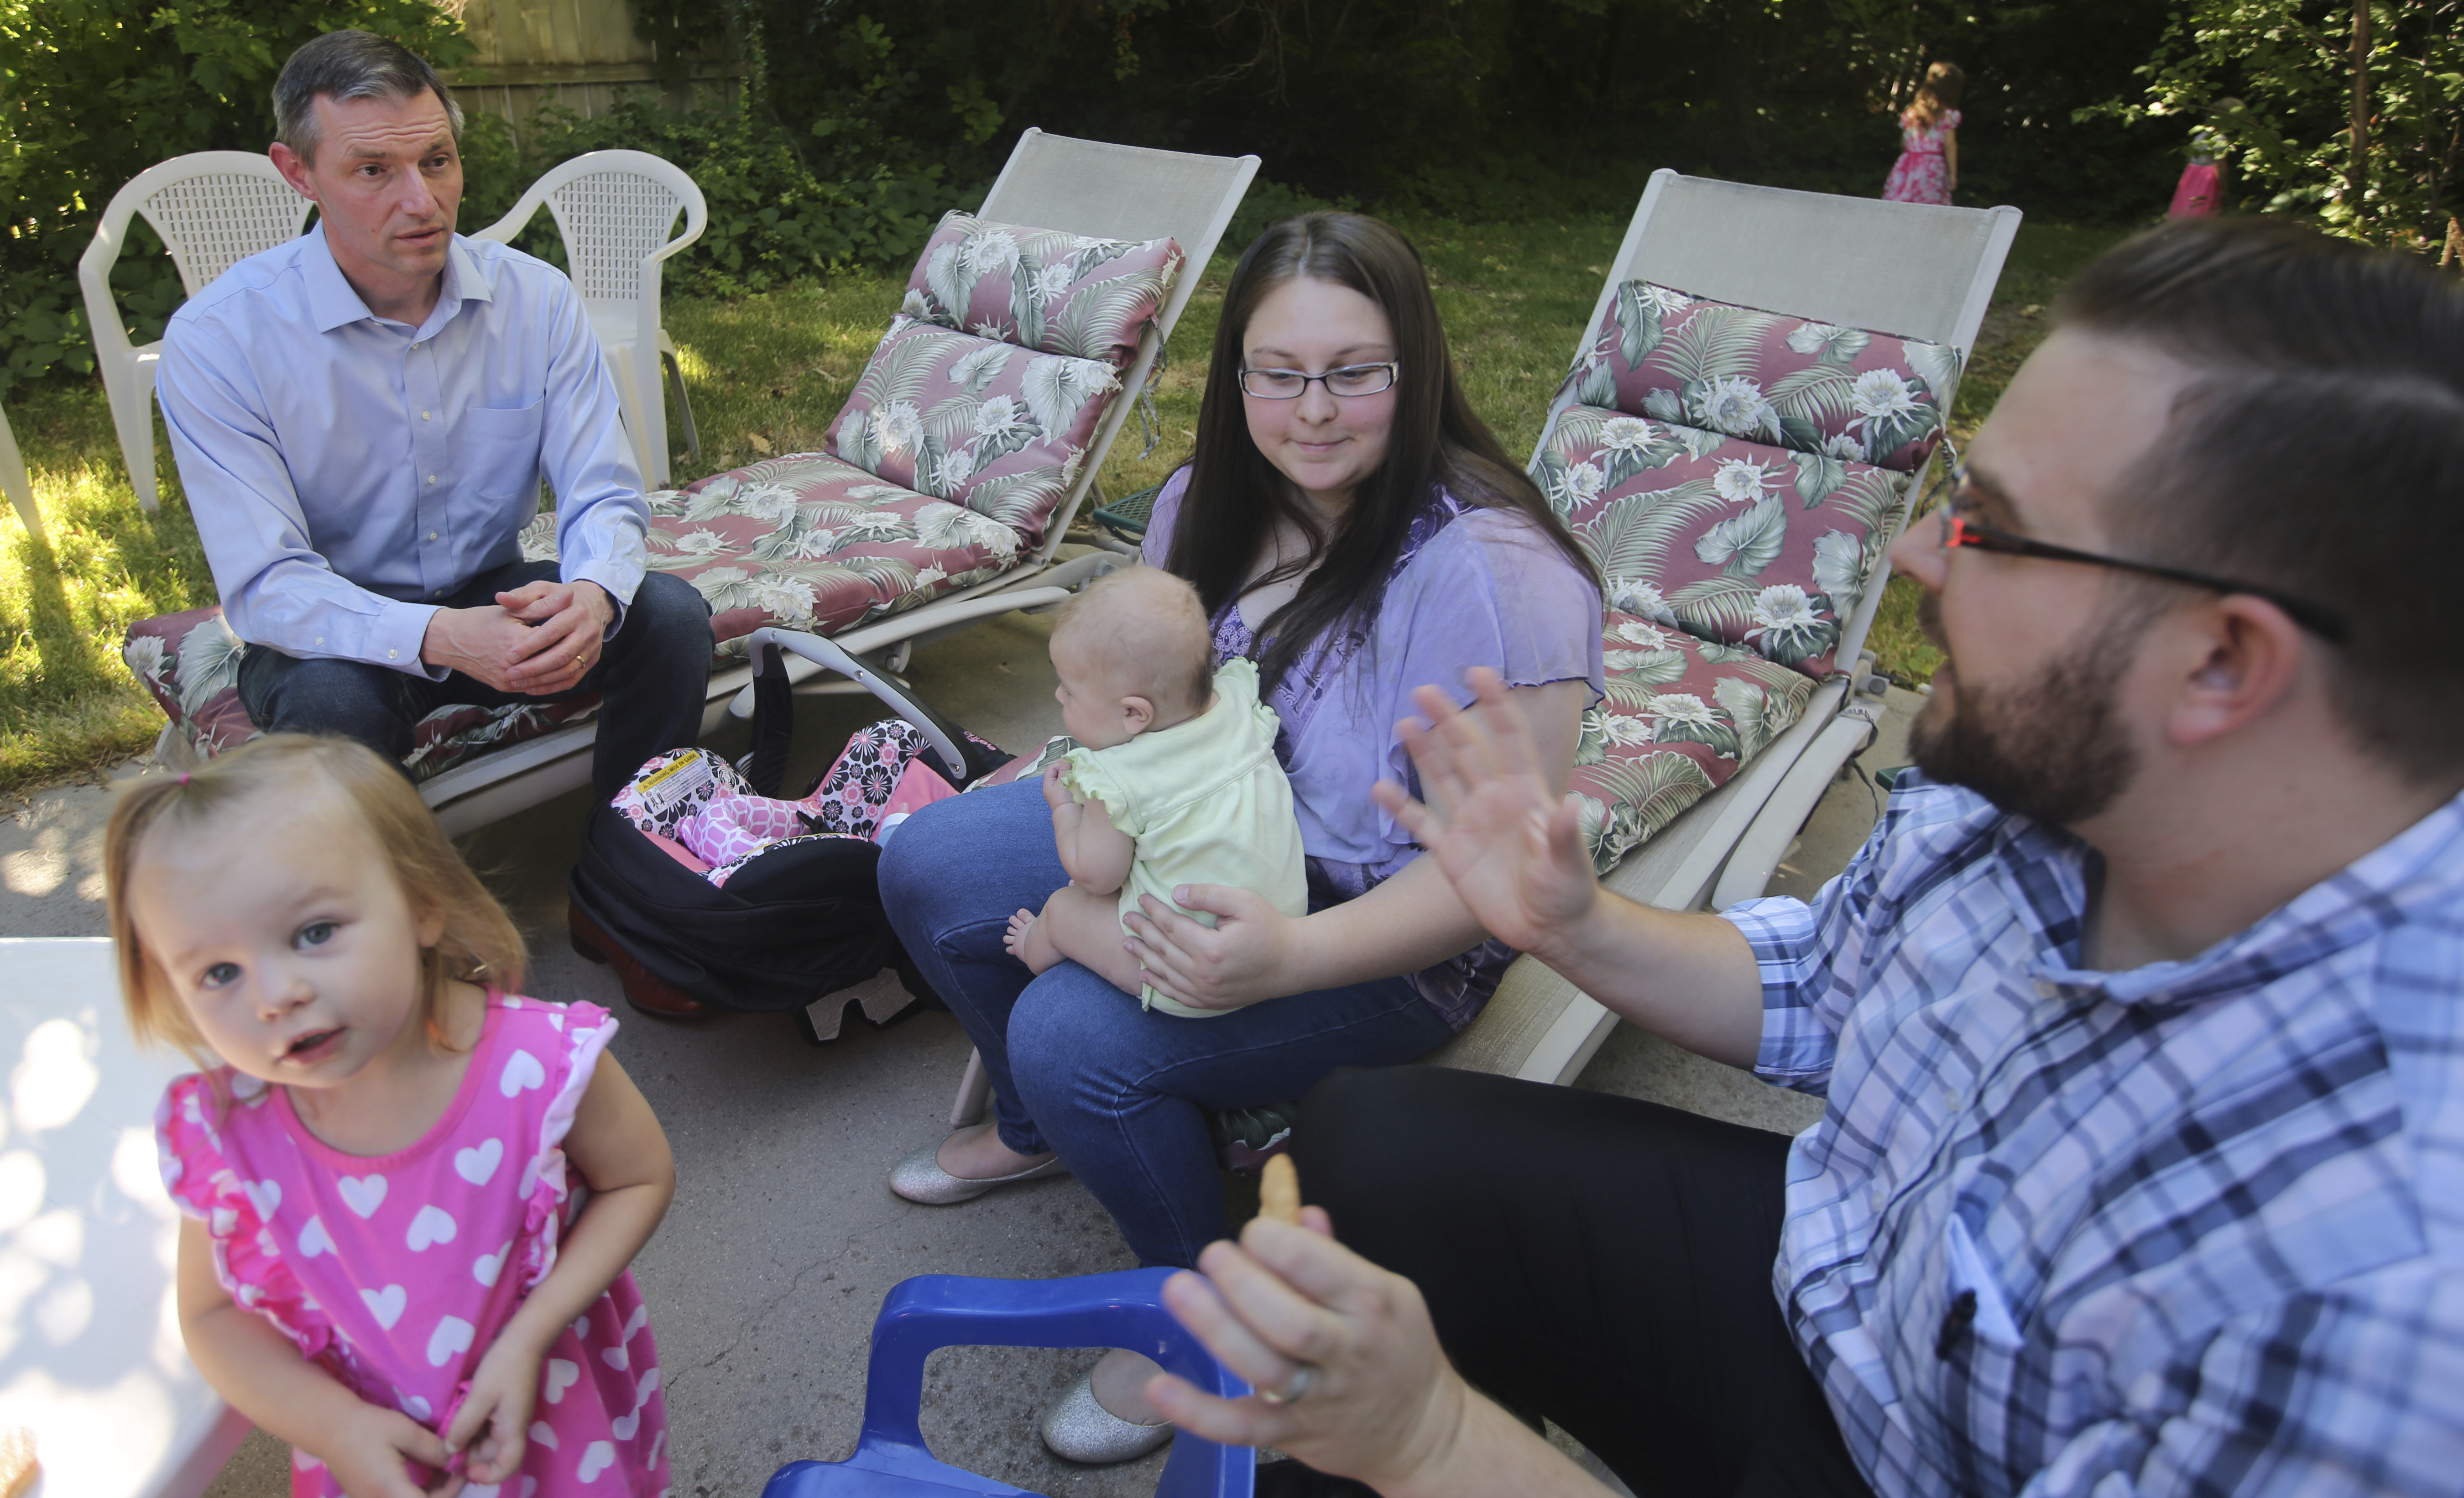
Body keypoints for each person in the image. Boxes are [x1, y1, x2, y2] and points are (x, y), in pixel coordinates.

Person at [1138, 217, 2464, 1497]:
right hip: (1846, 1292)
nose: (1908, 556)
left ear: (2223, 663)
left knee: (1387, 1406)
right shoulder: (2011, 788)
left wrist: (1436, 1444)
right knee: (1376, 1138)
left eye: (1992, 528)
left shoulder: (2379, 1283)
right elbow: (1829, 983)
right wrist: (1575, 921)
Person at [876, 211, 1604, 1463]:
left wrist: (1282, 962)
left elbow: (1490, 884)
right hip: (1195, 840)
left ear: (1416, 367)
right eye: (1278, 371)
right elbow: (1146, 719)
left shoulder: (1495, 575)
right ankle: (1057, 1130)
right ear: (1237, 376)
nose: (1312, 409)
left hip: (1378, 933)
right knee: (927, 860)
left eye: (1354, 370)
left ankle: (1200, 1305)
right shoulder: (1203, 507)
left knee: (1072, 1028)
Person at [154, 31, 713, 816]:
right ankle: (402, 920)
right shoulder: (223, 339)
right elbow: (268, 584)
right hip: (331, 626)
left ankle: (633, 875)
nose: (421, 201)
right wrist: (441, 636)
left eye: (438, 161)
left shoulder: (537, 301)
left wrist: (589, 595)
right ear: (298, 173)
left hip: (491, 589)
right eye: (374, 171)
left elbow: (605, 491)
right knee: (332, 714)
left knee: (668, 620)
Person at [110, 735, 678, 1496]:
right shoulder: (229, 1135)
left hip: (556, 1426)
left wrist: (531, 1333)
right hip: (369, 1459)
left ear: (422, 905)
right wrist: (334, 1428)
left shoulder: (539, 1066)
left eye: (315, 932)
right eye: (219, 972)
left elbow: (638, 1177)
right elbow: (213, 1318)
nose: (274, 994)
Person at [1002, 565, 1308, 1014]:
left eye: (1070, 692)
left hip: (1181, 967)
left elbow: (1095, 876)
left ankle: (1037, 946)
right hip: (1279, 932)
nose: (1058, 699)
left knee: (1066, 904)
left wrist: (1065, 811)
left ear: (1134, 714)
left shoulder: (1120, 780)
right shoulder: (1238, 704)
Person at [1883, 61, 1963, 205]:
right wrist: (1953, 175)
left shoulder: (1912, 113)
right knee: (1929, 207)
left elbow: (1904, 142)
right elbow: (1950, 146)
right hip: (1932, 169)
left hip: (1908, 165)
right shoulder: (1947, 116)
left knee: (1901, 204)